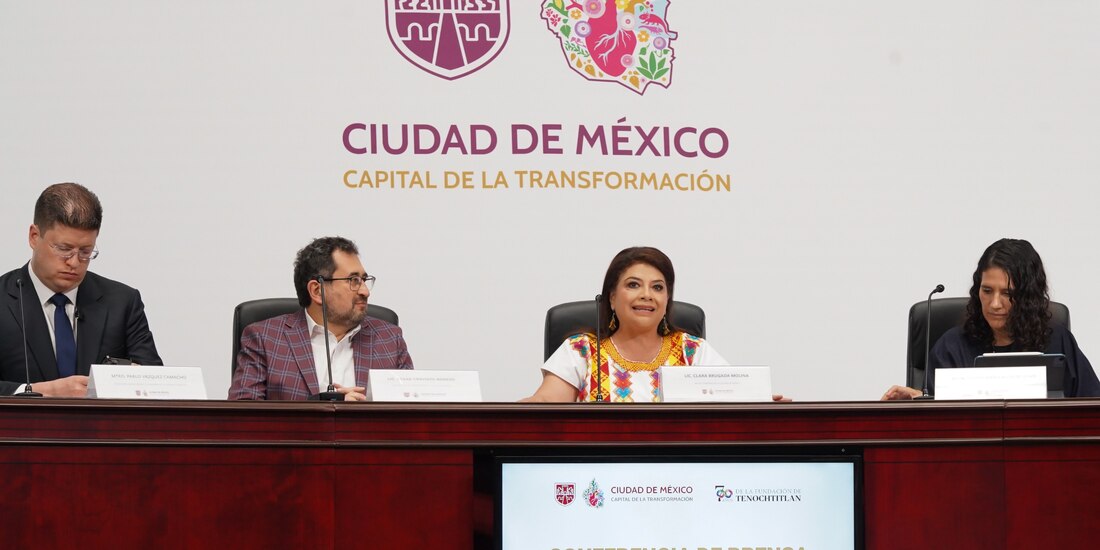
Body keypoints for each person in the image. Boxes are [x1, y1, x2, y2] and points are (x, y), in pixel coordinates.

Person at [526, 246, 784, 403]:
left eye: (657, 287)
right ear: (612, 298)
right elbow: (547, 401)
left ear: (667, 300)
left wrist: (760, 404)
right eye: (633, 285)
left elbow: (734, 400)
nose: (647, 294)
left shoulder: (692, 351)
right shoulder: (582, 350)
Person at [884, 238, 1100, 399]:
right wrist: (920, 403)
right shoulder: (951, 347)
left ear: (1028, 297)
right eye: (987, 291)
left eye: (1007, 294)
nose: (995, 304)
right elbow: (941, 422)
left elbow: (1091, 409)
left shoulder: (1057, 341)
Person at [0, 183, 162, 397]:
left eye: (85, 252)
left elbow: (156, 386)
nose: (74, 262)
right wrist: (36, 391)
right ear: (34, 236)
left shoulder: (122, 302)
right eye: (64, 249)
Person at [228, 236, 413, 400]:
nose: (365, 291)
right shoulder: (264, 339)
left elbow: (411, 415)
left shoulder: (390, 339)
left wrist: (362, 416)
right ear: (317, 291)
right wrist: (324, 410)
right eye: (353, 281)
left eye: (364, 280)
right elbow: (243, 417)